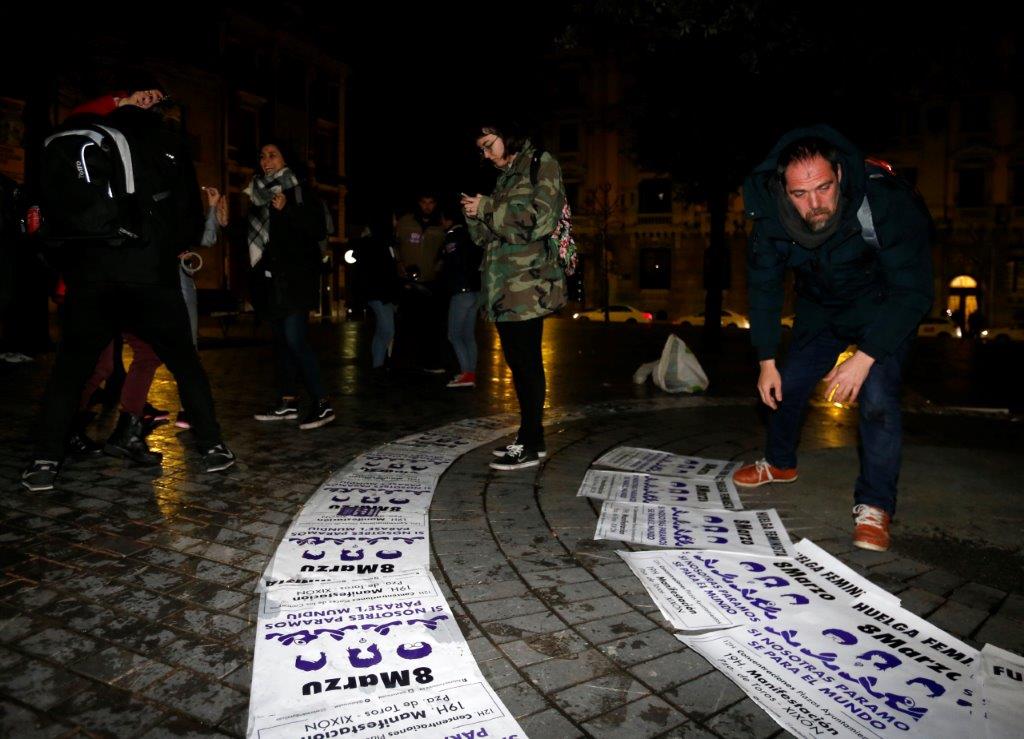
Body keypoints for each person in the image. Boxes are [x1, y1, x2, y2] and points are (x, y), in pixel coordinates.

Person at [22, 84, 235, 492]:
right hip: (147, 273)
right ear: (161, 115)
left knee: (71, 370)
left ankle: (45, 459)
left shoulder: (88, 131)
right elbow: (188, 219)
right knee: (184, 361)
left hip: (91, 275)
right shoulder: (167, 143)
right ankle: (212, 446)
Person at [733, 125, 933, 552]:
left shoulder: (884, 201)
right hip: (823, 309)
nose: (815, 204)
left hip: (884, 308)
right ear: (782, 189)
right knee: (786, 383)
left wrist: (865, 357)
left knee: (877, 398)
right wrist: (766, 359)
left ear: (840, 175)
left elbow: (914, 291)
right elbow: (764, 288)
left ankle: (876, 505)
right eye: (800, 194)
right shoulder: (771, 217)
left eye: (823, 188)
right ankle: (780, 463)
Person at [462, 122, 566, 470]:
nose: (486, 154)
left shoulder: (540, 163)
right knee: (518, 364)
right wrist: (474, 216)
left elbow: (541, 220)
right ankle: (529, 436)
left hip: (528, 284)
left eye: (489, 144)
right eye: (480, 148)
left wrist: (489, 208)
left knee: (527, 363)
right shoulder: (505, 177)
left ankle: (532, 442)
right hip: (502, 285)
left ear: (507, 134)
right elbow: (487, 238)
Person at [247, 140, 334, 430]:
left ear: (287, 160)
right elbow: (257, 238)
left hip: (297, 278)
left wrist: (288, 211)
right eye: (262, 156)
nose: (266, 160)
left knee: (296, 339)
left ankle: (323, 403)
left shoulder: (300, 190)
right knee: (282, 342)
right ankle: (288, 401)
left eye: (273, 155)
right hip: (270, 279)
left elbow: (317, 230)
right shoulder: (256, 193)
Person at [395, 193, 446, 372]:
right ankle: (401, 364)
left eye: (431, 202)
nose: (427, 206)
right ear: (418, 203)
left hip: (430, 283)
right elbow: (394, 245)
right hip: (407, 281)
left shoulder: (440, 225)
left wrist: (439, 265)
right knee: (405, 324)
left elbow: (445, 250)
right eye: (424, 202)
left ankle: (429, 362)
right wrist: (400, 265)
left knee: (430, 326)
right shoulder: (405, 222)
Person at [438, 206, 482, 388]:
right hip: (475, 290)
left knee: (455, 335)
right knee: (468, 335)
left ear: (447, 220)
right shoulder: (472, 234)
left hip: (461, 291)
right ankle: (470, 372)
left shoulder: (452, 237)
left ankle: (466, 373)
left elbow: (454, 263)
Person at [354, 209, 401, 372]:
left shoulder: (387, 242)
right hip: (379, 294)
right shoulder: (374, 243)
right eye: (394, 219)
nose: (396, 222)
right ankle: (378, 364)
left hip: (385, 294)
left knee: (384, 329)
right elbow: (376, 272)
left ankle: (379, 364)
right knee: (387, 330)